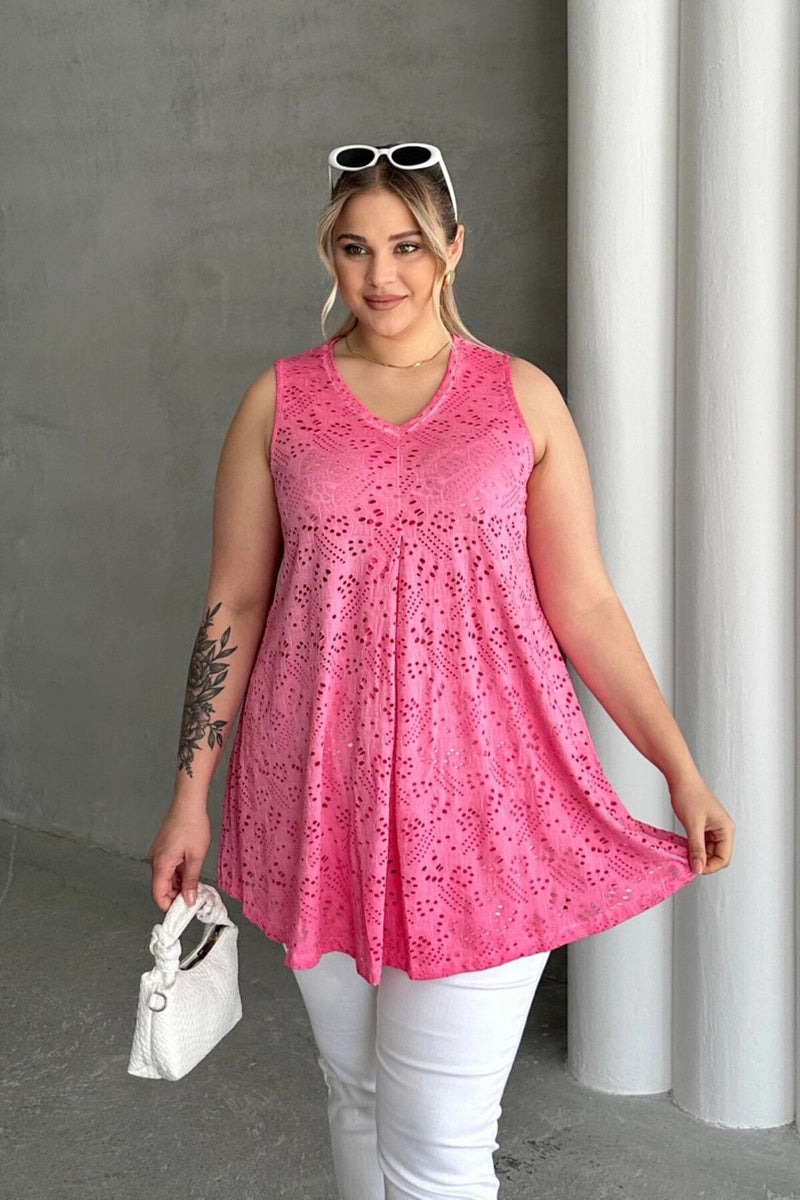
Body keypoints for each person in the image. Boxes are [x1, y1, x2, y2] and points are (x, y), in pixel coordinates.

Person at [147, 142, 735, 1199]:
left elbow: (586, 605)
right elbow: (234, 603)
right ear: (328, 252)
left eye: (408, 246)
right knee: (357, 1097)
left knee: (438, 1155)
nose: (381, 275)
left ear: (453, 248)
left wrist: (677, 768)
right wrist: (190, 795)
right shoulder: (279, 402)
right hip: (316, 798)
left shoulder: (520, 398)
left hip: (486, 810)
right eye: (356, 248)